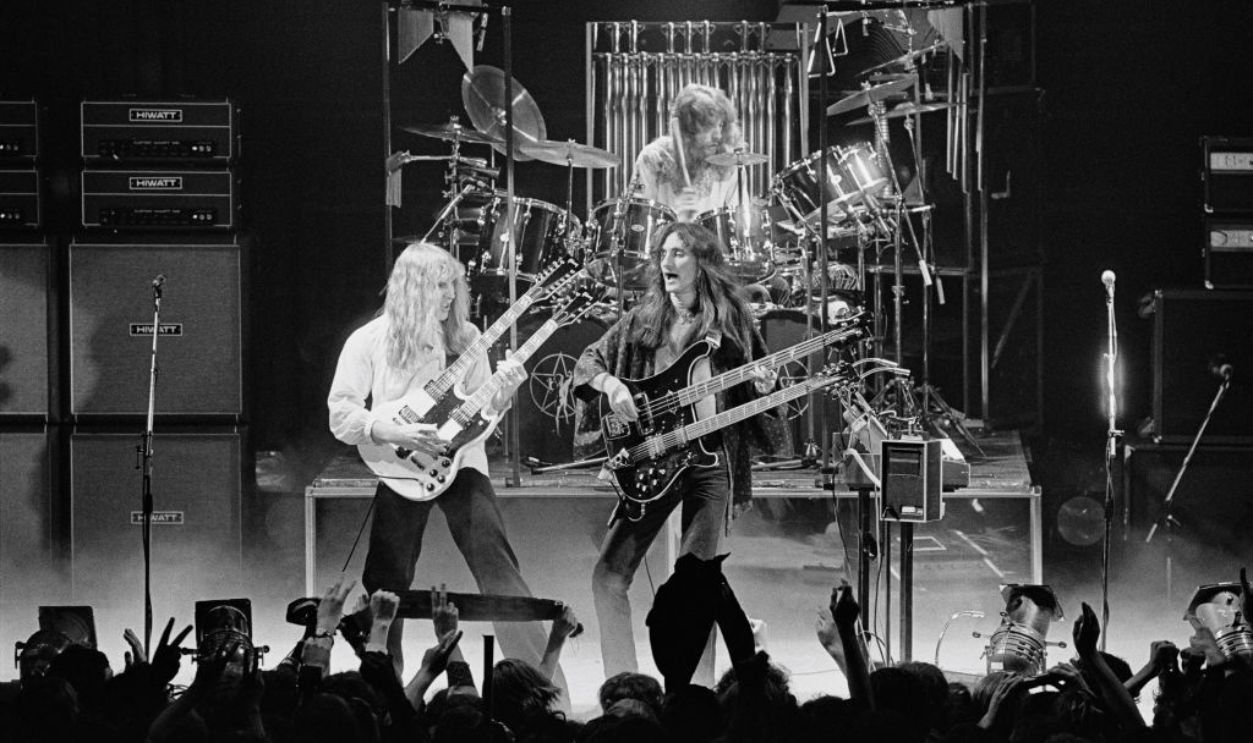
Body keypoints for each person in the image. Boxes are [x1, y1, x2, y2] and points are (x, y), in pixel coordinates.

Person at [327, 241, 559, 686]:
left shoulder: (467, 338)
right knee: (385, 577)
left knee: (495, 561)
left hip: (461, 461)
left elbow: (482, 418)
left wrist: (503, 393)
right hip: (400, 467)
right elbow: (341, 413)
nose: (451, 295)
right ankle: (384, 682)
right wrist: (394, 432)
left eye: (454, 284)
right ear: (413, 289)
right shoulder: (369, 340)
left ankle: (538, 680)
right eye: (440, 285)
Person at [571, 221, 787, 678]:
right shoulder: (643, 317)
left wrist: (767, 383)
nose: (667, 263)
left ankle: (696, 694)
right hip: (654, 457)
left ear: (702, 262)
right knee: (607, 576)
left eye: (679, 253)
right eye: (663, 253)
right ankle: (624, 683)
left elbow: (760, 383)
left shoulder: (731, 320)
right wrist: (610, 385)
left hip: (710, 462)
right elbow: (588, 360)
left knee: (699, 583)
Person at [633, 83, 746, 222]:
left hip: (712, 244)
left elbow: (738, 228)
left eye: (720, 125)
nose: (718, 135)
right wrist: (679, 220)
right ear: (686, 132)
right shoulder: (652, 159)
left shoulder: (730, 162)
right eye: (708, 126)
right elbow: (638, 226)